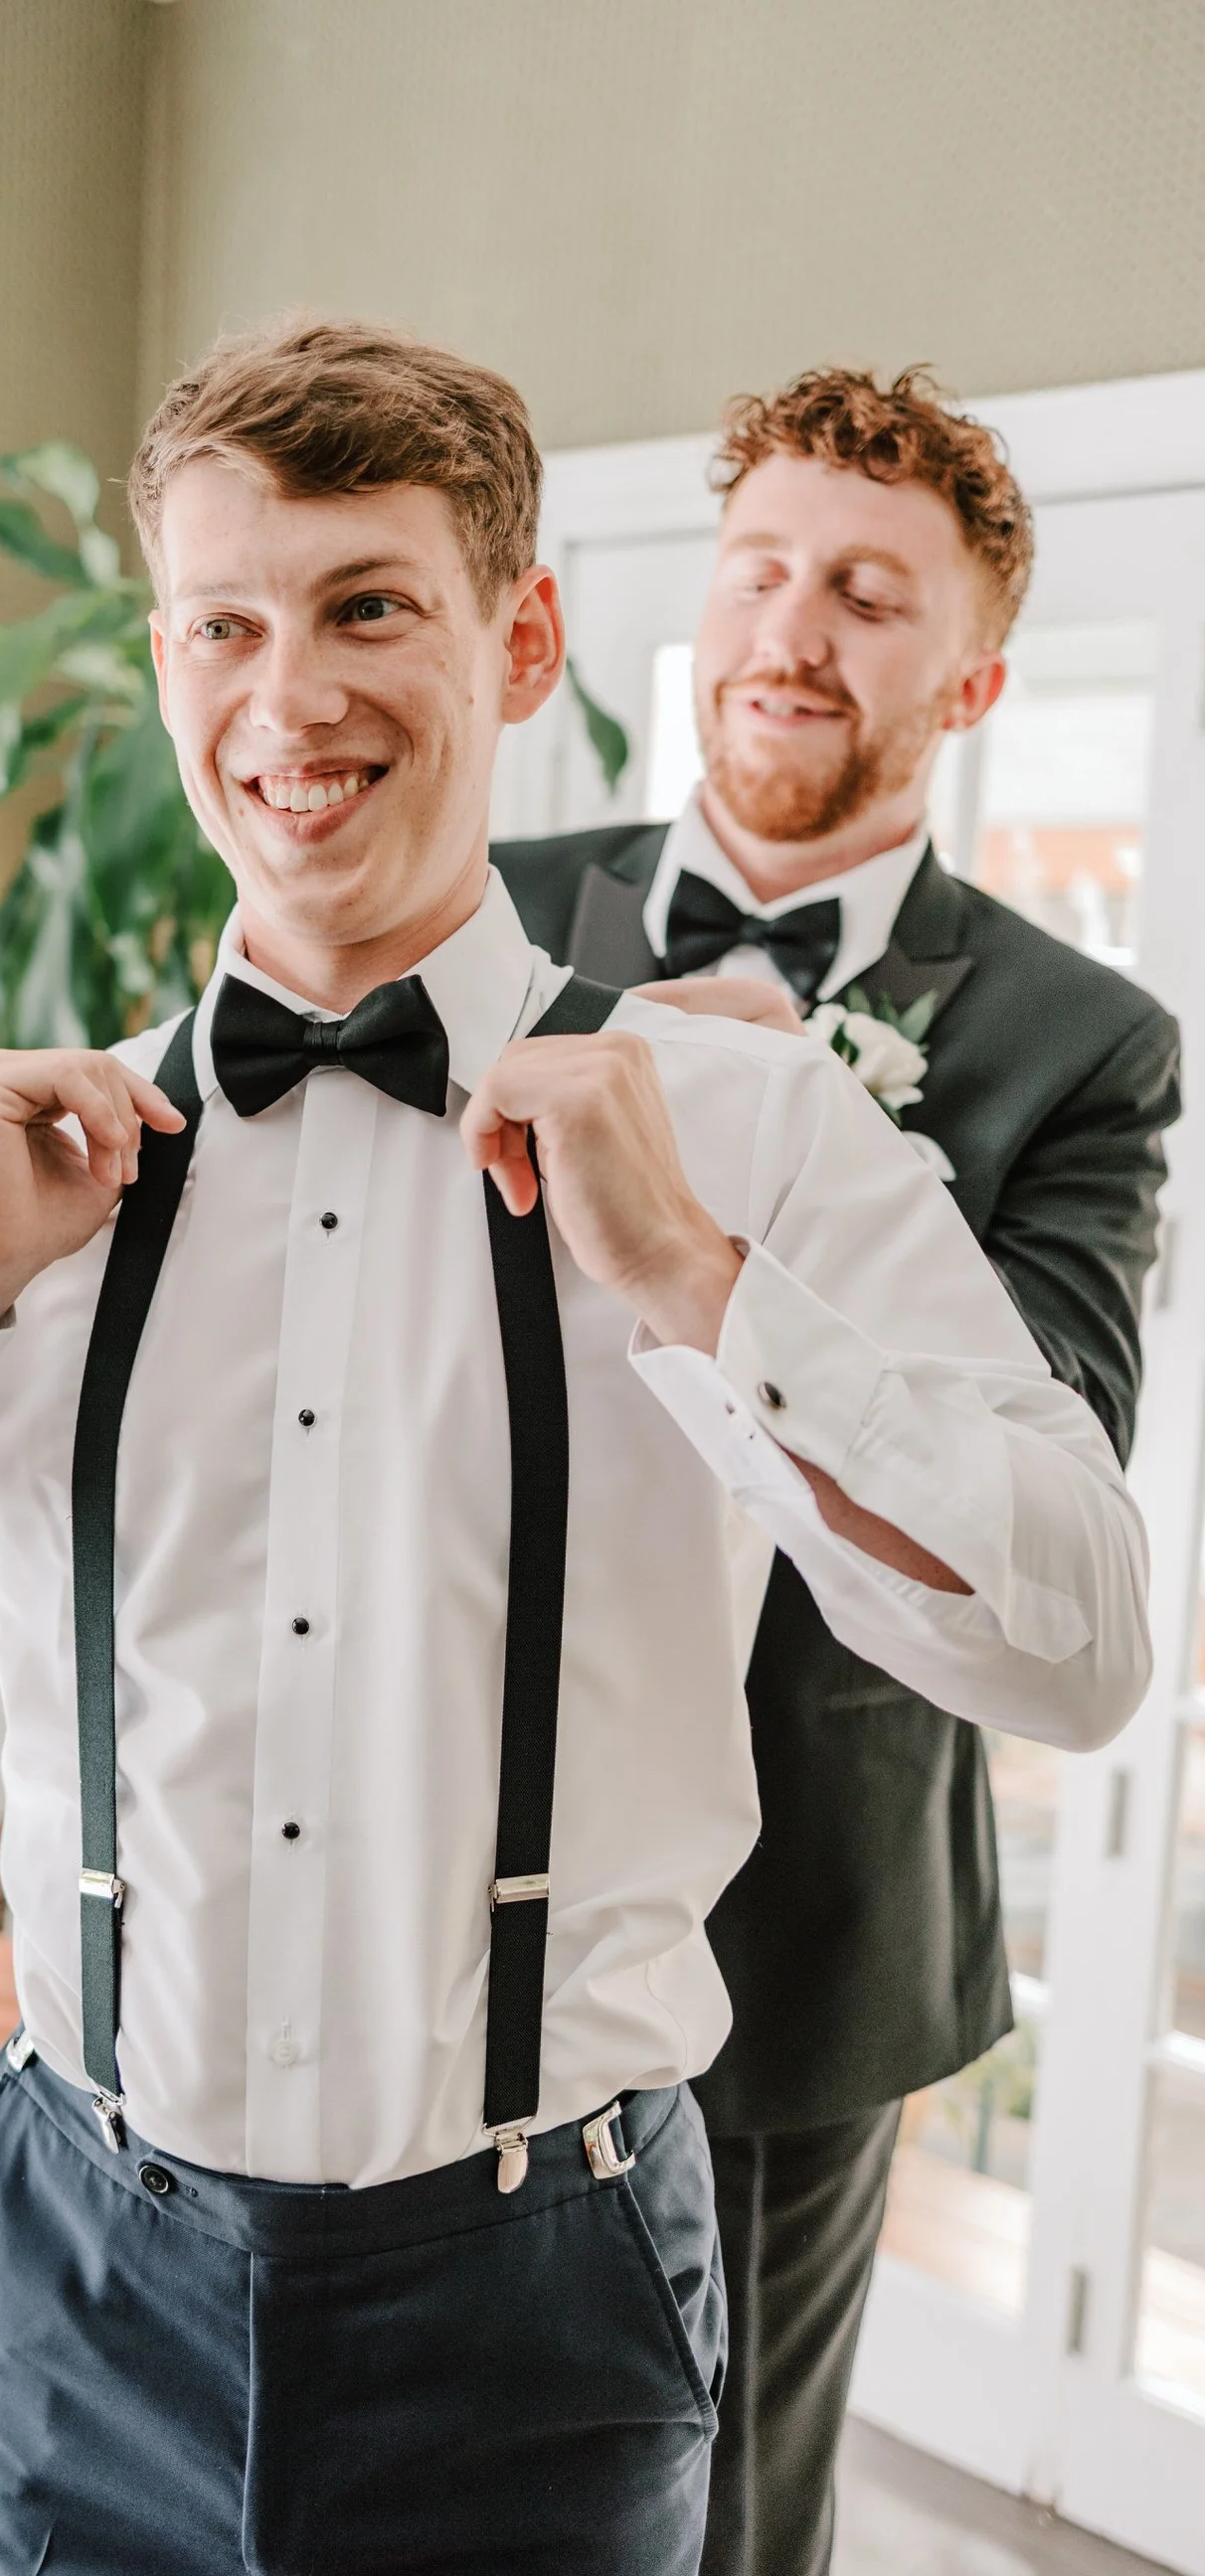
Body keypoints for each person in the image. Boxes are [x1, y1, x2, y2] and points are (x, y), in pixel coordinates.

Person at [0, 325, 1152, 2576]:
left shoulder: (758, 1135)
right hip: (80, 2270)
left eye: (366, 608)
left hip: (546, 2295)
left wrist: (714, 1295)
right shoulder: (41, 1154)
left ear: (521, 640)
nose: (286, 695)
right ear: (163, 661)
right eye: (226, 620)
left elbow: (1085, 1646)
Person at [496, 366, 1182, 2576]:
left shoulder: (1081, 1038)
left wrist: (811, 1159)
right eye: (765, 571)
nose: (796, 628)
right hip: (473, 1851)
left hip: (813, 1907)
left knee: (726, 2508)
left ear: (968, 673)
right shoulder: (512, 902)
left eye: (870, 595)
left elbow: (1047, 1447)